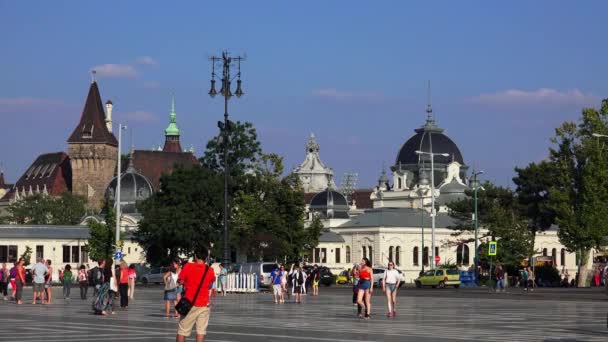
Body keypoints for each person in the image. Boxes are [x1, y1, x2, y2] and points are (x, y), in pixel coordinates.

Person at [176, 247, 216, 342]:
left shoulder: (188, 266)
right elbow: (210, 284)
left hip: (189, 303)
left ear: (195, 256)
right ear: (206, 257)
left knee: (182, 331)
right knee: (201, 332)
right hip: (204, 305)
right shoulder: (210, 270)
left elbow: (180, 281)